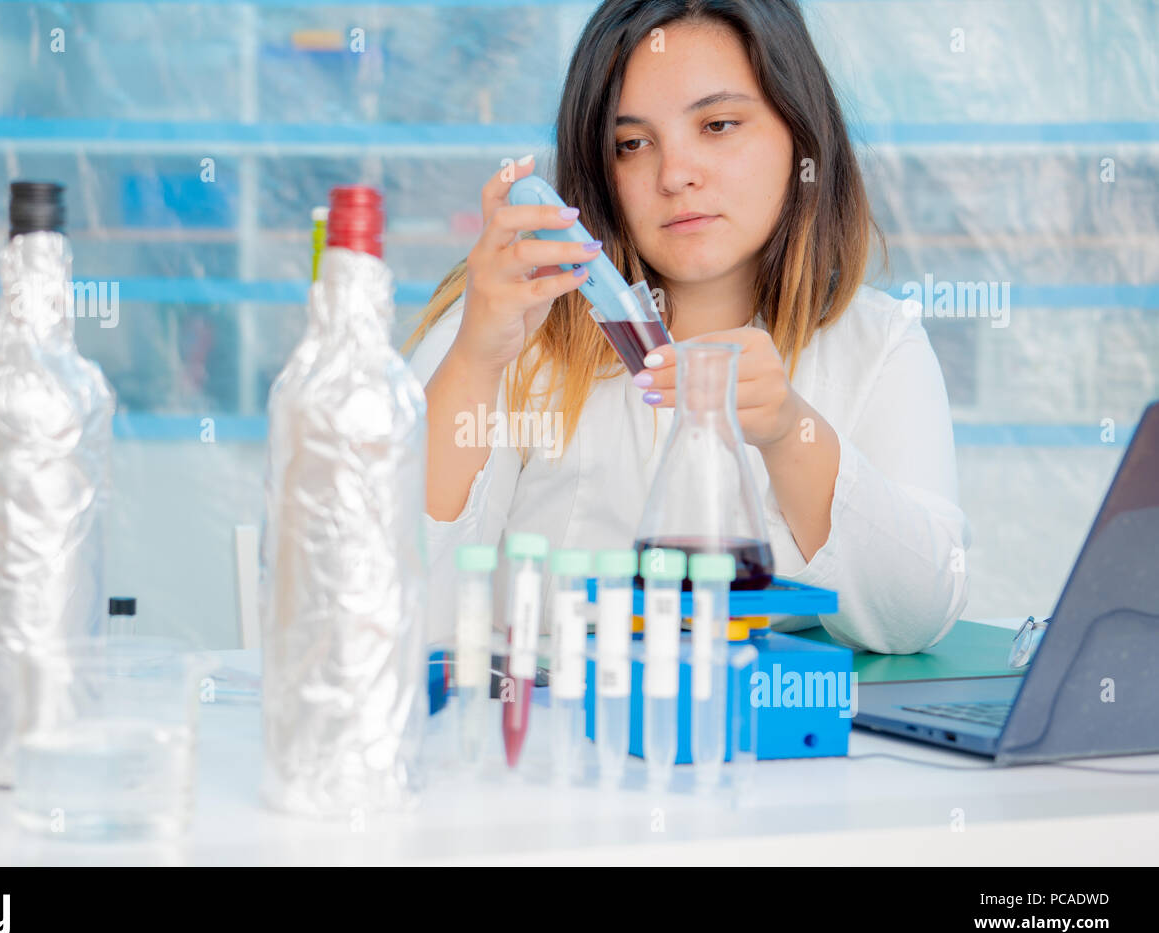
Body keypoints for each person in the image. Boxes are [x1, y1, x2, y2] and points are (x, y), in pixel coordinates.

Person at [405, 0, 971, 654]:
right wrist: (477, 361)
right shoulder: (507, 323)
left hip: (763, 751)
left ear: (801, 134)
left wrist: (790, 433)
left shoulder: (875, 343)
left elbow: (921, 614)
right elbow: (394, 611)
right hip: (544, 743)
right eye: (632, 144)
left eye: (719, 124)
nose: (675, 174)